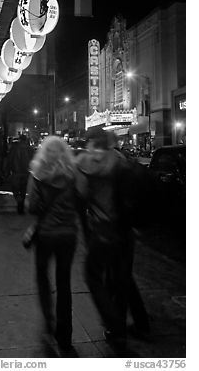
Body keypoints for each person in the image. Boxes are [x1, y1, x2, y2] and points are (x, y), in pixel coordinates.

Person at [75, 127, 149, 356]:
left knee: (94, 277)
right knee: (122, 278)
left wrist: (86, 231)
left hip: (102, 230)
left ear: (91, 142)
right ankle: (134, 327)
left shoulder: (85, 164)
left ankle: (116, 328)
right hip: (125, 232)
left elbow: (80, 199)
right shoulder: (120, 161)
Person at [25, 136, 79, 355]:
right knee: (64, 282)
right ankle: (65, 335)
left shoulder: (37, 176)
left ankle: (49, 321)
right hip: (69, 234)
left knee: (42, 276)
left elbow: (32, 208)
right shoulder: (73, 176)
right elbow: (81, 202)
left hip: (46, 234)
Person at [6, 134, 34, 214]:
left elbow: (10, 160)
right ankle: (21, 205)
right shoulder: (30, 149)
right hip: (26, 172)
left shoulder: (14, 148)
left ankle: (19, 202)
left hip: (16, 172)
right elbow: (34, 160)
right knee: (23, 190)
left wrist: (7, 170)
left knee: (15, 189)